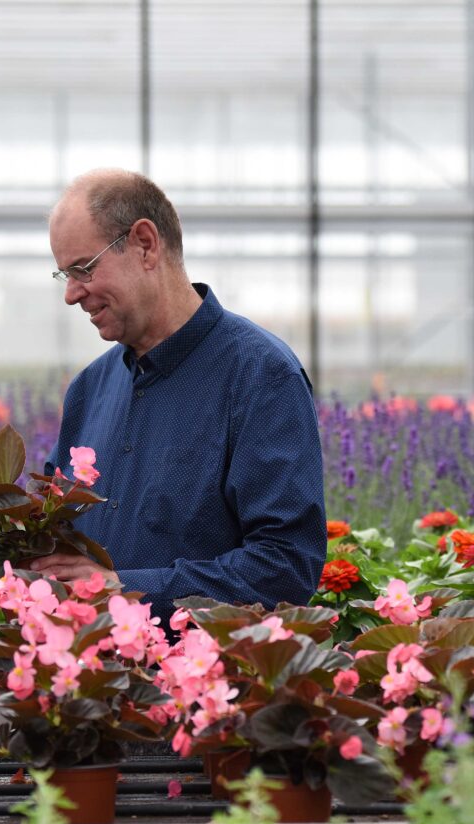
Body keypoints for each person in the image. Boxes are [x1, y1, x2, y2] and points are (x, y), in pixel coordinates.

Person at [31, 169, 325, 622]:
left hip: (206, 665)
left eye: (83, 269)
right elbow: (57, 532)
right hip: (90, 663)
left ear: (145, 244)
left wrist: (125, 590)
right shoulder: (90, 389)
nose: (71, 295)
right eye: (64, 275)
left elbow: (284, 565)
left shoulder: (259, 375)